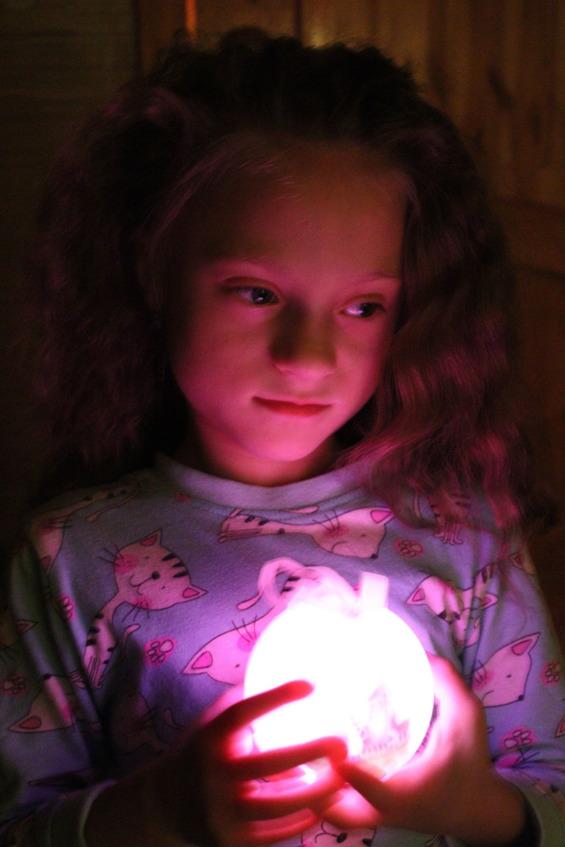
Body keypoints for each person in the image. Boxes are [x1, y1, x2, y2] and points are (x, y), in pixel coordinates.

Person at [1, 26, 563, 847]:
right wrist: (161, 812)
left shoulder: (466, 534)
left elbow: (551, 782)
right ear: (154, 272)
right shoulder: (71, 556)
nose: (308, 356)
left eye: (362, 306)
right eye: (257, 292)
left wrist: (473, 807)